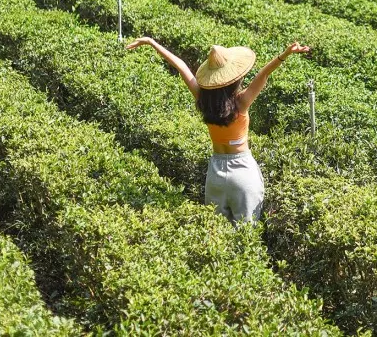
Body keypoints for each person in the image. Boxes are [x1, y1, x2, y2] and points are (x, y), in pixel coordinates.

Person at [124, 37, 310, 223]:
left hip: (216, 174)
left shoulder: (203, 100)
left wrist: (151, 42)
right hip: (243, 172)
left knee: (217, 231)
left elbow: (181, 67)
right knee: (247, 236)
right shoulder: (241, 103)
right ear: (234, 79)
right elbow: (263, 75)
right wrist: (284, 55)